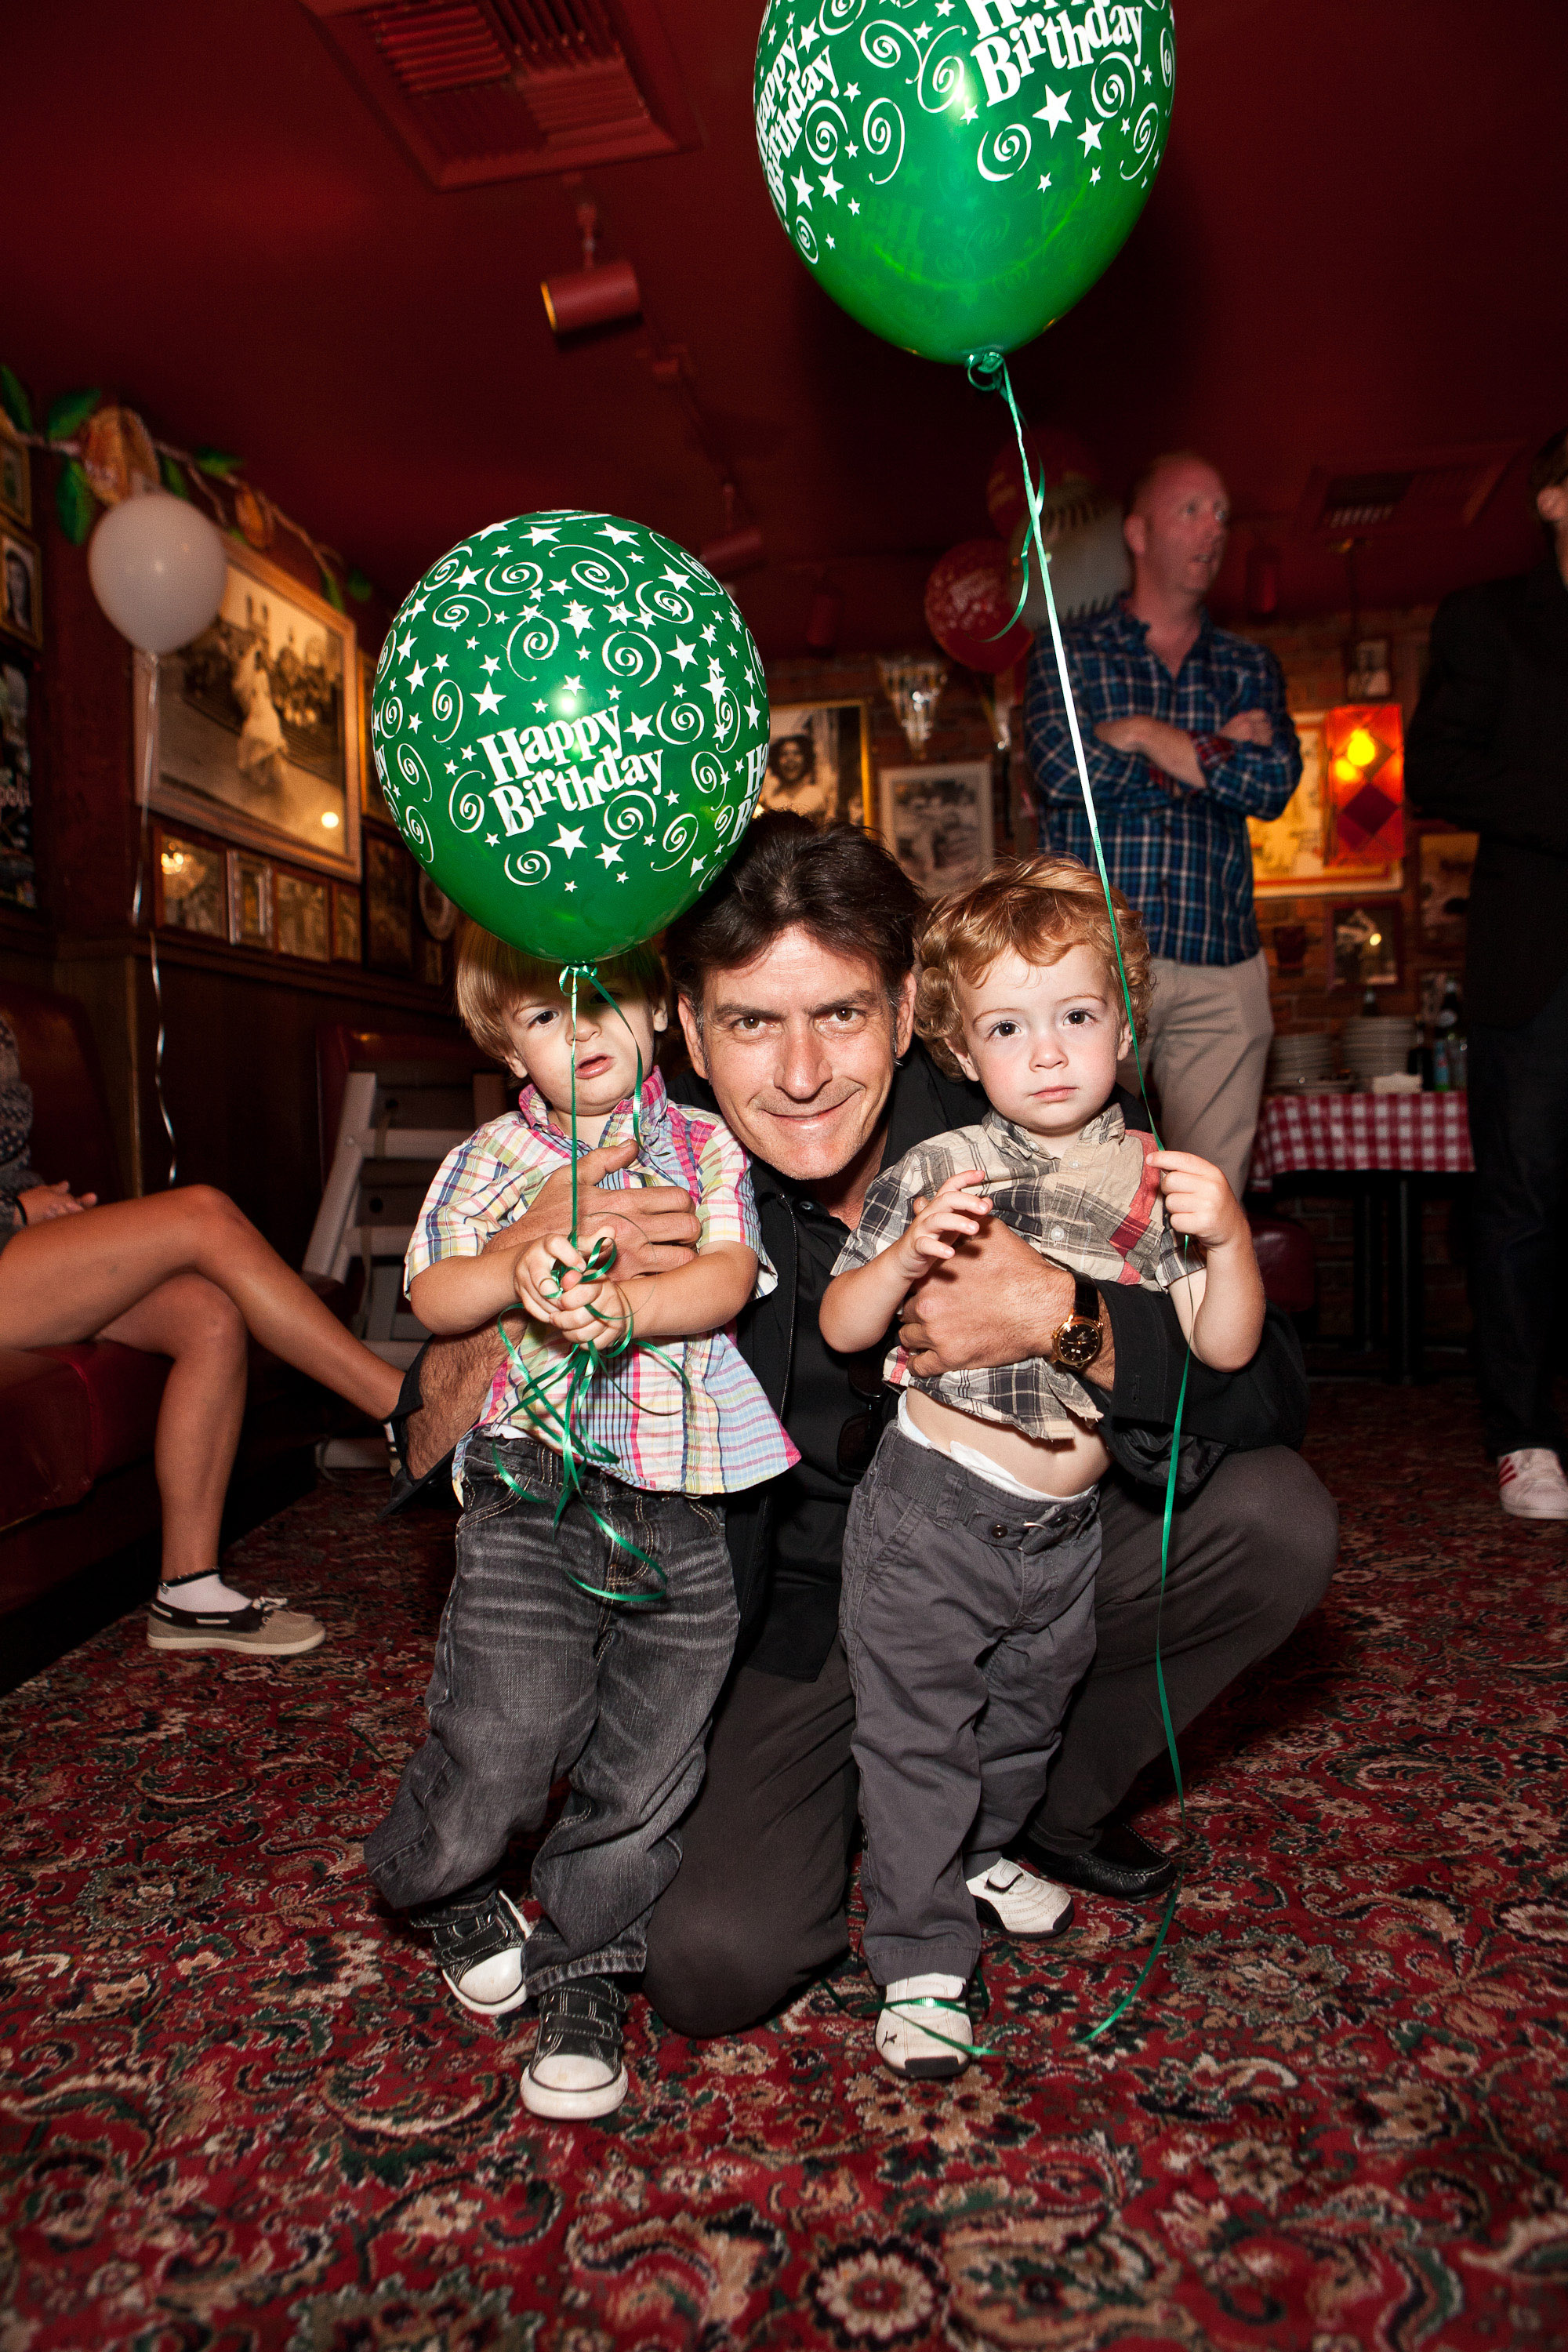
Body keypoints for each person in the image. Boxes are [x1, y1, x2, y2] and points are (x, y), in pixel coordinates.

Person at [388, 820, 1336, 2039]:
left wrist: (1062, 1314)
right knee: (706, 1965)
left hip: (1025, 1552)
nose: (798, 1073)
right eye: (747, 1023)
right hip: (784, 1613)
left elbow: (1272, 1393)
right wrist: (527, 1275)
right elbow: (419, 1430)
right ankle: (889, 1804)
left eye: (839, 1015)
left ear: (903, 1013)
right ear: (680, 1023)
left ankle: (1029, 1810)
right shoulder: (633, 1149)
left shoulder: (1026, 1073)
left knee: (1273, 1521)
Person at [818, 858, 1265, 2075]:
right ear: (963, 1048)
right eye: (1011, 1027)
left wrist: (1227, 1242)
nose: (1052, 1052)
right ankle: (918, 1957)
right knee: (919, 1741)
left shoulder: (1161, 1181)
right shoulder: (942, 1166)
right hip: (932, 1516)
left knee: (1023, 1717)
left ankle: (983, 1849)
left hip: (1065, 1536)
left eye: (1078, 1014)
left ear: (1127, 1017)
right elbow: (847, 1330)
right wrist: (905, 1255)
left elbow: (1224, 1353)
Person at [363, 927, 794, 2122]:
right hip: (527, 1480)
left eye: (608, 1002)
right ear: (506, 1040)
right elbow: (436, 1293)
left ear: (661, 1012)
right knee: (506, 1724)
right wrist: (519, 1263)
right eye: (548, 1016)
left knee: (649, 1762)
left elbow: (723, 1277)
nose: (585, 1029)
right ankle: (429, 1875)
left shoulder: (703, 1142)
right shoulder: (488, 1157)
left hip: (683, 1493)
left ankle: (586, 1973)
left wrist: (630, 1308)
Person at [0, 1011, 403, 1655]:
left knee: (209, 1313)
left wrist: (40, 1207)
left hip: (19, 1246)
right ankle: (400, 1407)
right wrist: (17, 1210)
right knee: (203, 1214)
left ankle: (188, 1591)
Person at [1024, 451, 1301, 1198]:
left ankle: (1201, 1321)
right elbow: (1066, 775)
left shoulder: (1249, 664)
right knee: (1083, 1199)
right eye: (1193, 510)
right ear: (1139, 532)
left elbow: (1274, 784)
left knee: (1211, 1204)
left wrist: (1140, 734)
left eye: (1222, 514)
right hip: (1097, 958)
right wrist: (1215, 757)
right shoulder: (1067, 652)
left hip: (1221, 964)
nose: (1214, 527)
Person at [1406, 426, 1568, 1520]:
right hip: (1539, 957)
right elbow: (1436, 766)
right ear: (1555, 498)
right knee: (1523, 1202)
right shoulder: (1489, 621)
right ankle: (1523, 1435)